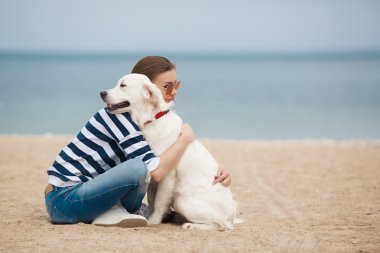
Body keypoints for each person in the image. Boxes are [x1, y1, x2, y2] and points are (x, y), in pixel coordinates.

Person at [45, 55, 231, 227]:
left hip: (84, 192)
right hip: (65, 199)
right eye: (167, 86)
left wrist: (213, 166)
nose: (174, 91)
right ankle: (113, 211)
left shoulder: (144, 120)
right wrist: (185, 139)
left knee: (141, 173)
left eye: (177, 85)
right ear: (147, 89)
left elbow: (174, 158)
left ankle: (117, 210)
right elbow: (155, 172)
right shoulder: (120, 117)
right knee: (138, 168)